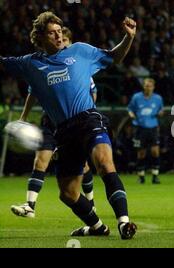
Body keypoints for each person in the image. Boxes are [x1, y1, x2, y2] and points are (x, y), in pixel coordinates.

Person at [0, 11, 137, 239]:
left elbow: (115, 57)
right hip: (63, 132)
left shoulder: (80, 51)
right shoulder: (30, 64)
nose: (58, 36)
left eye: (59, 32)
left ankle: (124, 222)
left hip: (88, 119)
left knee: (104, 163)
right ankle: (98, 227)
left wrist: (129, 37)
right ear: (40, 37)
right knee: (68, 193)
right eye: (52, 33)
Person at [10, 27, 97, 218]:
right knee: (40, 161)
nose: (61, 41)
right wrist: (23, 118)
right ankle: (30, 205)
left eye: (65, 39)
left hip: (75, 123)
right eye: (58, 37)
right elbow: (33, 93)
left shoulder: (78, 66)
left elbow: (92, 94)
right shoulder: (41, 66)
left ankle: (90, 203)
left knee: (83, 167)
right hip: (50, 122)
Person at [128, 77, 164, 184]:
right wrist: (131, 115)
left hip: (153, 128)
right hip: (140, 127)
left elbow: (161, 109)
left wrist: (161, 113)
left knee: (155, 151)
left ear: (153, 87)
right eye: (145, 85)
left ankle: (155, 175)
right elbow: (130, 108)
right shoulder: (136, 97)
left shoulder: (158, 98)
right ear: (143, 86)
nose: (147, 88)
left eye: (149, 86)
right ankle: (141, 176)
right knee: (141, 153)